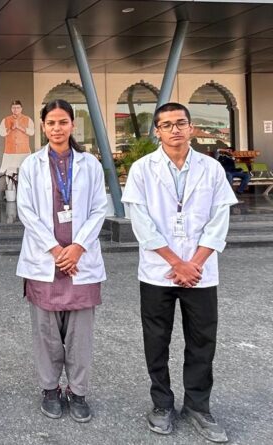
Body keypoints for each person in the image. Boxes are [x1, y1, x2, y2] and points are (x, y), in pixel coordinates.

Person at [122, 102, 237, 443]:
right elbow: (141, 222)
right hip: (159, 270)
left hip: (200, 272)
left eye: (180, 123)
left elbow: (219, 219)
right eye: (167, 124)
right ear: (157, 131)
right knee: (156, 339)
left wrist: (194, 263)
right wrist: (177, 263)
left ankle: (198, 405)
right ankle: (161, 403)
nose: (175, 129)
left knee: (202, 340)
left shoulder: (211, 168)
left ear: (191, 128)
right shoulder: (143, 169)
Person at [16, 99, 108, 423]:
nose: (57, 128)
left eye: (63, 122)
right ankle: (50, 389)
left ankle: (78, 391)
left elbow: (99, 208)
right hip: (45, 261)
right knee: (46, 334)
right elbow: (26, 211)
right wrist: (56, 250)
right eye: (51, 123)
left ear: (72, 125)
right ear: (43, 127)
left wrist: (78, 247)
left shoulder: (90, 164)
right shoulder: (31, 165)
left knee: (80, 335)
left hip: (80, 262)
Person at [0, 100, 35, 188]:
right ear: (11, 109)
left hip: (24, 151)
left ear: (21, 109)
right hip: (10, 152)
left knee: (25, 172)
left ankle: (24, 190)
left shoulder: (28, 119)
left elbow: (32, 132)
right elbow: (2, 133)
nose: (16, 110)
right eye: (14, 108)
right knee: (9, 173)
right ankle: (10, 192)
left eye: (18, 108)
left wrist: (20, 127)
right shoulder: (6, 120)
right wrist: (11, 128)